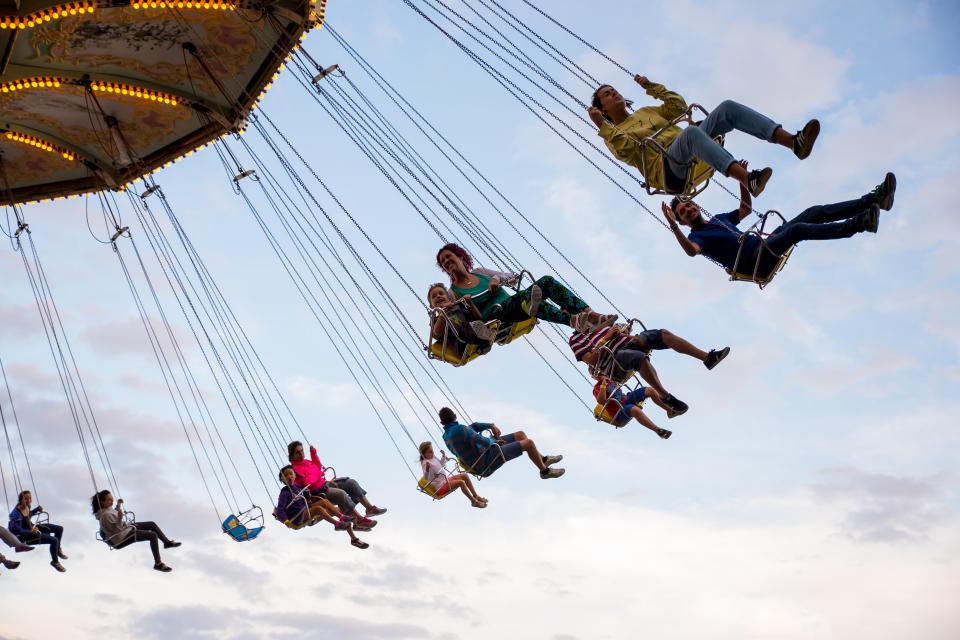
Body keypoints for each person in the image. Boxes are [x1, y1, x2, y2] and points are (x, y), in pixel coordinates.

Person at [588, 75, 821, 196]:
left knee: (727, 107)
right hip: (668, 170)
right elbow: (627, 152)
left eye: (614, 90)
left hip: (688, 146)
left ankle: (793, 142)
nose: (614, 93)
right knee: (690, 133)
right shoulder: (613, 135)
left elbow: (678, 107)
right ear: (604, 109)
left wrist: (651, 86)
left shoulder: (645, 112)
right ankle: (747, 179)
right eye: (608, 95)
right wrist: (602, 126)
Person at [663, 170, 896, 279]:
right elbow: (692, 253)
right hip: (756, 261)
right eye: (683, 212)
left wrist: (743, 180)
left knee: (812, 212)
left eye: (689, 205)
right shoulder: (697, 237)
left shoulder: (718, 219)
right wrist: (672, 227)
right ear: (683, 222)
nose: (689, 210)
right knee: (797, 231)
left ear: (695, 205)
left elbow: (745, 209)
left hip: (764, 244)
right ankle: (858, 224)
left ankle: (874, 200)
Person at [437, 243, 617, 333]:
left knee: (544, 283)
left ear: (460, 257)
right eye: (443, 262)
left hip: (515, 305)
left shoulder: (481, 272)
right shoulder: (453, 293)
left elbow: (512, 276)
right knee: (526, 300)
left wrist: (496, 279)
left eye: (448, 256)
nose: (446, 262)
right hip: (495, 319)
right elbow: (461, 319)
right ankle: (573, 320)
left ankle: (588, 315)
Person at [570, 323, 730, 417]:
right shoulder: (575, 340)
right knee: (638, 358)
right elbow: (591, 359)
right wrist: (607, 338)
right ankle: (665, 397)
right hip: (613, 361)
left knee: (663, 334)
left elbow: (619, 332)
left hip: (628, 343)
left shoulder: (599, 322)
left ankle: (707, 358)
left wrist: (624, 331)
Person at [439, 407, 564, 479]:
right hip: (485, 460)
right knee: (528, 443)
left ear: (442, 423)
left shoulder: (447, 435)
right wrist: (495, 441)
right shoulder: (459, 429)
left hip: (481, 456)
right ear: (455, 416)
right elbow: (483, 441)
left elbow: (473, 427)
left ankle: (543, 459)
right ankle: (544, 472)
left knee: (520, 434)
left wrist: (490, 425)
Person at [287, 441, 385, 530]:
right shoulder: (294, 469)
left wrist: (314, 454)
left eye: (302, 451)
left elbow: (317, 467)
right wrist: (318, 474)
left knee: (351, 483)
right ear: (292, 456)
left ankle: (369, 509)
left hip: (325, 485)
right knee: (341, 494)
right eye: (297, 452)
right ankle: (359, 519)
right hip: (318, 493)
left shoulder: (307, 462)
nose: (301, 454)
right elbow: (307, 482)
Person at [276, 466, 369, 549]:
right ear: (282, 480)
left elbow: (309, 493)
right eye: (286, 475)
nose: (289, 476)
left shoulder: (298, 487)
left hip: (307, 509)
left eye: (291, 474)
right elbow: (280, 509)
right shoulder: (285, 493)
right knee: (319, 509)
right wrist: (285, 521)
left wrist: (321, 489)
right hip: (299, 516)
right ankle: (337, 523)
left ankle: (353, 537)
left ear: (295, 475)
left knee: (333, 505)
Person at [91, 490, 180, 572]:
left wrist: (118, 505)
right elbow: (116, 529)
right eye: (109, 500)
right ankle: (158, 564)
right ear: (102, 502)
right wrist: (119, 518)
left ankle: (166, 542)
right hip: (121, 537)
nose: (112, 501)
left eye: (112, 499)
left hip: (125, 530)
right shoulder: (105, 516)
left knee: (151, 524)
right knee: (152, 535)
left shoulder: (107, 509)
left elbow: (113, 512)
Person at [594, 375, 673, 439]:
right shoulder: (597, 388)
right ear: (593, 376)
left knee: (650, 390)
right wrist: (603, 385)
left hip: (627, 399)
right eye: (593, 371)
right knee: (635, 410)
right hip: (619, 411)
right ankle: (658, 430)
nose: (598, 372)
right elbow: (601, 401)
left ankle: (669, 410)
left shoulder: (612, 378)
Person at [428, 283, 496, 357]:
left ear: (449, 299)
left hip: (473, 335)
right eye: (434, 296)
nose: (438, 296)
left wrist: (470, 302)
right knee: (467, 329)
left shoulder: (458, 309)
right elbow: (437, 333)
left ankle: (484, 340)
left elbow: (478, 317)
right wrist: (443, 313)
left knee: (476, 323)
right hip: (461, 345)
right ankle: (487, 336)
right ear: (431, 306)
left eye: (441, 293)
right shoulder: (436, 320)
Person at [8, 489, 66, 572]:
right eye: (26, 499)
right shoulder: (16, 514)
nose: (28, 501)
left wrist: (37, 509)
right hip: (25, 536)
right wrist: (31, 531)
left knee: (59, 529)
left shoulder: (27, 506)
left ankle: (57, 550)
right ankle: (55, 562)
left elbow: (29, 514)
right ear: (21, 500)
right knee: (54, 540)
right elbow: (19, 531)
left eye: (30, 498)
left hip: (32, 528)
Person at [418, 441, 488, 508]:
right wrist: (427, 469)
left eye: (432, 450)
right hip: (440, 487)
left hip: (445, 480)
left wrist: (443, 456)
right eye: (430, 452)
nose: (432, 452)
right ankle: (473, 501)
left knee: (464, 475)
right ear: (424, 454)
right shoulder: (425, 463)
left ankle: (475, 495)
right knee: (461, 482)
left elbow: (440, 464)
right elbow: (427, 478)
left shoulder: (433, 457)